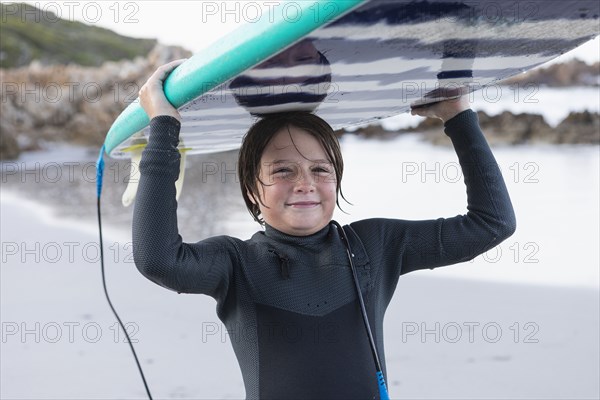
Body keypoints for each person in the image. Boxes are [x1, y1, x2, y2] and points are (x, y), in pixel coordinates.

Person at [133, 59, 516, 399]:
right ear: (251, 188)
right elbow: (157, 258)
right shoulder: (235, 264)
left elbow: (492, 223)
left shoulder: (375, 245)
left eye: (321, 170)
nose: (305, 183)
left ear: (337, 180)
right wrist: (164, 127)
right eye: (283, 170)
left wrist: (458, 116)